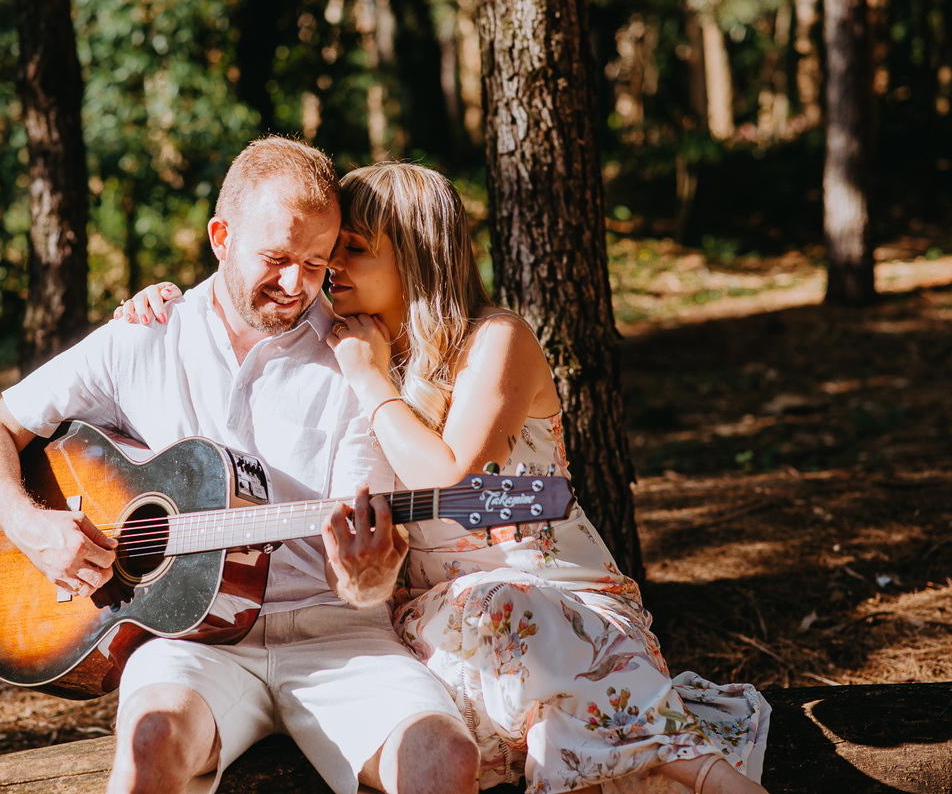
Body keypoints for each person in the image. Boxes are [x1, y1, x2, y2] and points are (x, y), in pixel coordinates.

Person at [120, 161, 770, 794]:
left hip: (561, 608)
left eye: (353, 248)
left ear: (416, 255)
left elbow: (454, 479)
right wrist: (163, 306)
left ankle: (705, 775)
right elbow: (237, 308)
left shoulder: (495, 340)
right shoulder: (345, 346)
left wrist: (368, 376)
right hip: (438, 631)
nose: (329, 266)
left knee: (506, 607)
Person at [0, 138, 480, 794]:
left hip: (338, 635)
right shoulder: (143, 334)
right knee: (152, 743)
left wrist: (368, 574)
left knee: (444, 758)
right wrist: (33, 527)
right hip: (191, 642)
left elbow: (363, 548)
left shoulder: (354, 354)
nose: (297, 284)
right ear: (221, 235)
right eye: (278, 258)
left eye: (316, 263)